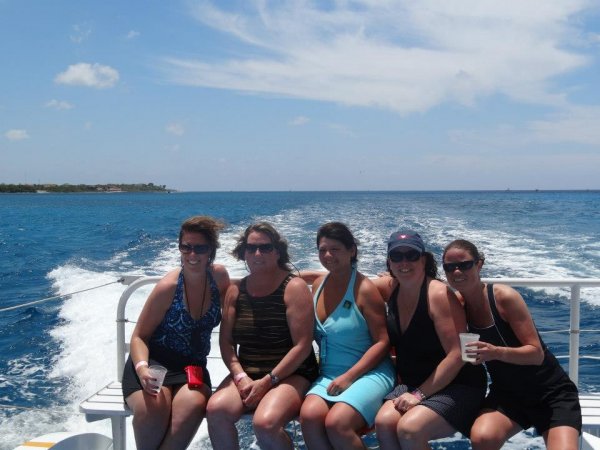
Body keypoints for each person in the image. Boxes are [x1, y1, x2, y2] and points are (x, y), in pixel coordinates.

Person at [442, 239, 582, 450]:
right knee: (482, 438)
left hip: (551, 394)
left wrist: (496, 352)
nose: (457, 271)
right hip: (508, 395)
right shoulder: (457, 306)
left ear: (479, 264)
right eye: (450, 267)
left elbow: (536, 354)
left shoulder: (503, 297)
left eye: (465, 265)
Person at [206, 222, 319, 450]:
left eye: (265, 248)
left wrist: (268, 381)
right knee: (216, 411)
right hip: (248, 372)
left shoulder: (294, 287)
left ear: (277, 252)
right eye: (251, 248)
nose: (257, 253)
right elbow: (226, 342)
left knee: (265, 423)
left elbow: (302, 346)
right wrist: (240, 377)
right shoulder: (235, 291)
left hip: (291, 374)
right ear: (243, 252)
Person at [121, 216, 230, 449]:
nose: (192, 254)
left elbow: (244, 297)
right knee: (154, 408)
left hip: (192, 367)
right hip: (153, 363)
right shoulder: (169, 287)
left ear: (211, 250)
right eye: (186, 247)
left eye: (200, 248)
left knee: (193, 405)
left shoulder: (219, 278)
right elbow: (140, 336)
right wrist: (142, 370)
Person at [373, 230, 487, 449]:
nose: (404, 262)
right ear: (389, 262)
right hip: (413, 381)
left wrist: (418, 394)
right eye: (397, 256)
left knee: (409, 429)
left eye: (411, 255)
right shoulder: (392, 287)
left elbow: (457, 355)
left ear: (423, 260)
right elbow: (351, 281)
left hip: (457, 384)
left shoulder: (438, 295)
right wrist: (307, 278)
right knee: (384, 423)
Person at [299, 222, 395, 450]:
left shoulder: (365, 290)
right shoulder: (318, 285)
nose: (327, 255)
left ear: (352, 251)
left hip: (368, 372)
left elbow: (383, 342)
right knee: (309, 417)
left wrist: (349, 377)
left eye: (335, 249)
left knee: (337, 423)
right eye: (322, 250)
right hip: (329, 374)